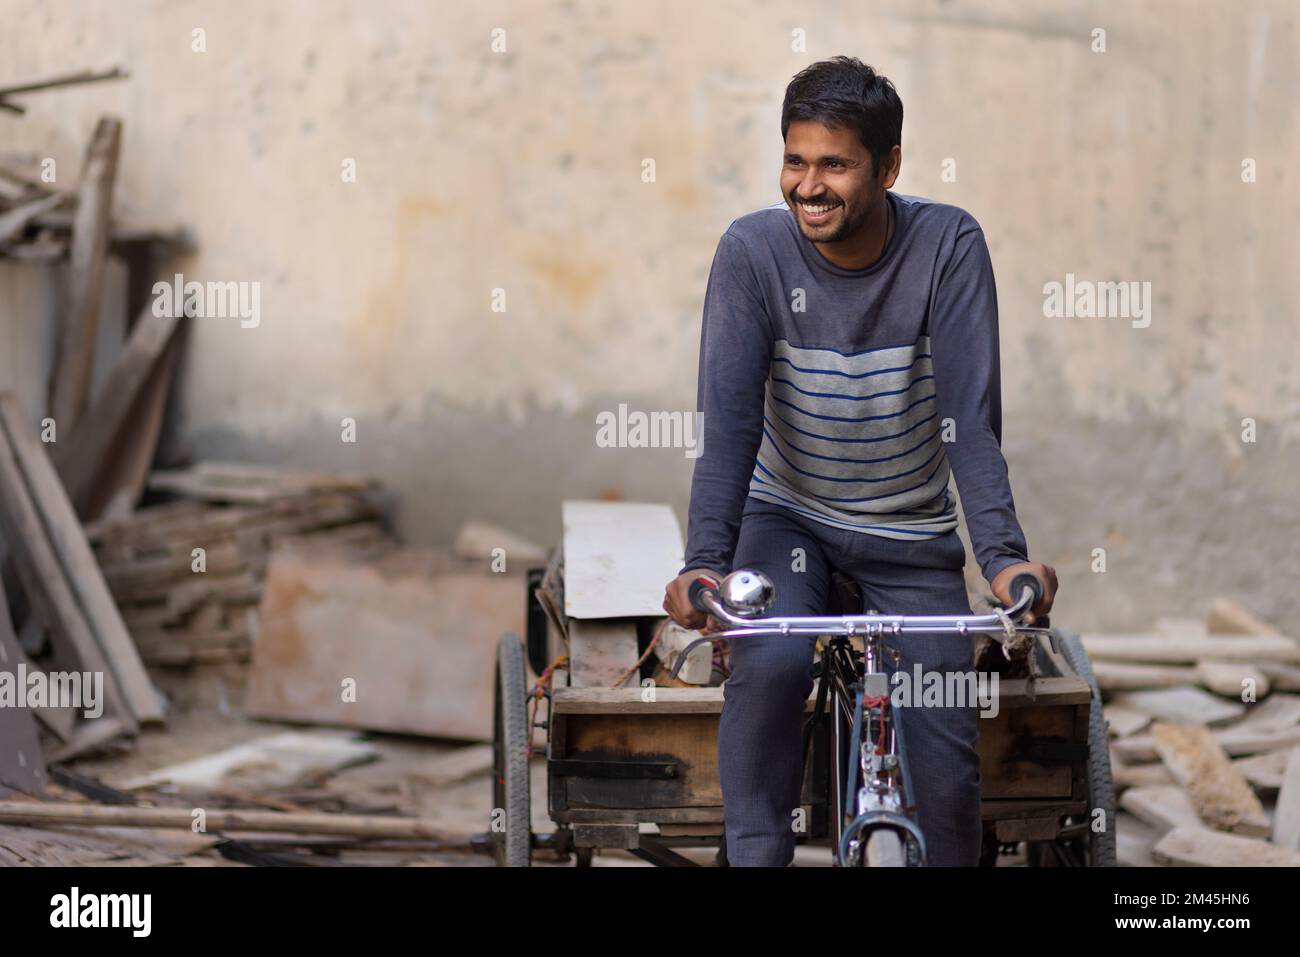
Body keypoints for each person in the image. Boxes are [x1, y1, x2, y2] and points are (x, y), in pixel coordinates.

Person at [662, 56, 1057, 867]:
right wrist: (705, 565)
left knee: (946, 756)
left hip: (909, 534)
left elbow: (969, 424)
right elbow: (730, 425)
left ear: (889, 167)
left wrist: (1007, 563)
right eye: (795, 160)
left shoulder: (948, 246)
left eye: (834, 163)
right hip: (787, 519)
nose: (809, 185)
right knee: (766, 672)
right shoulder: (752, 252)